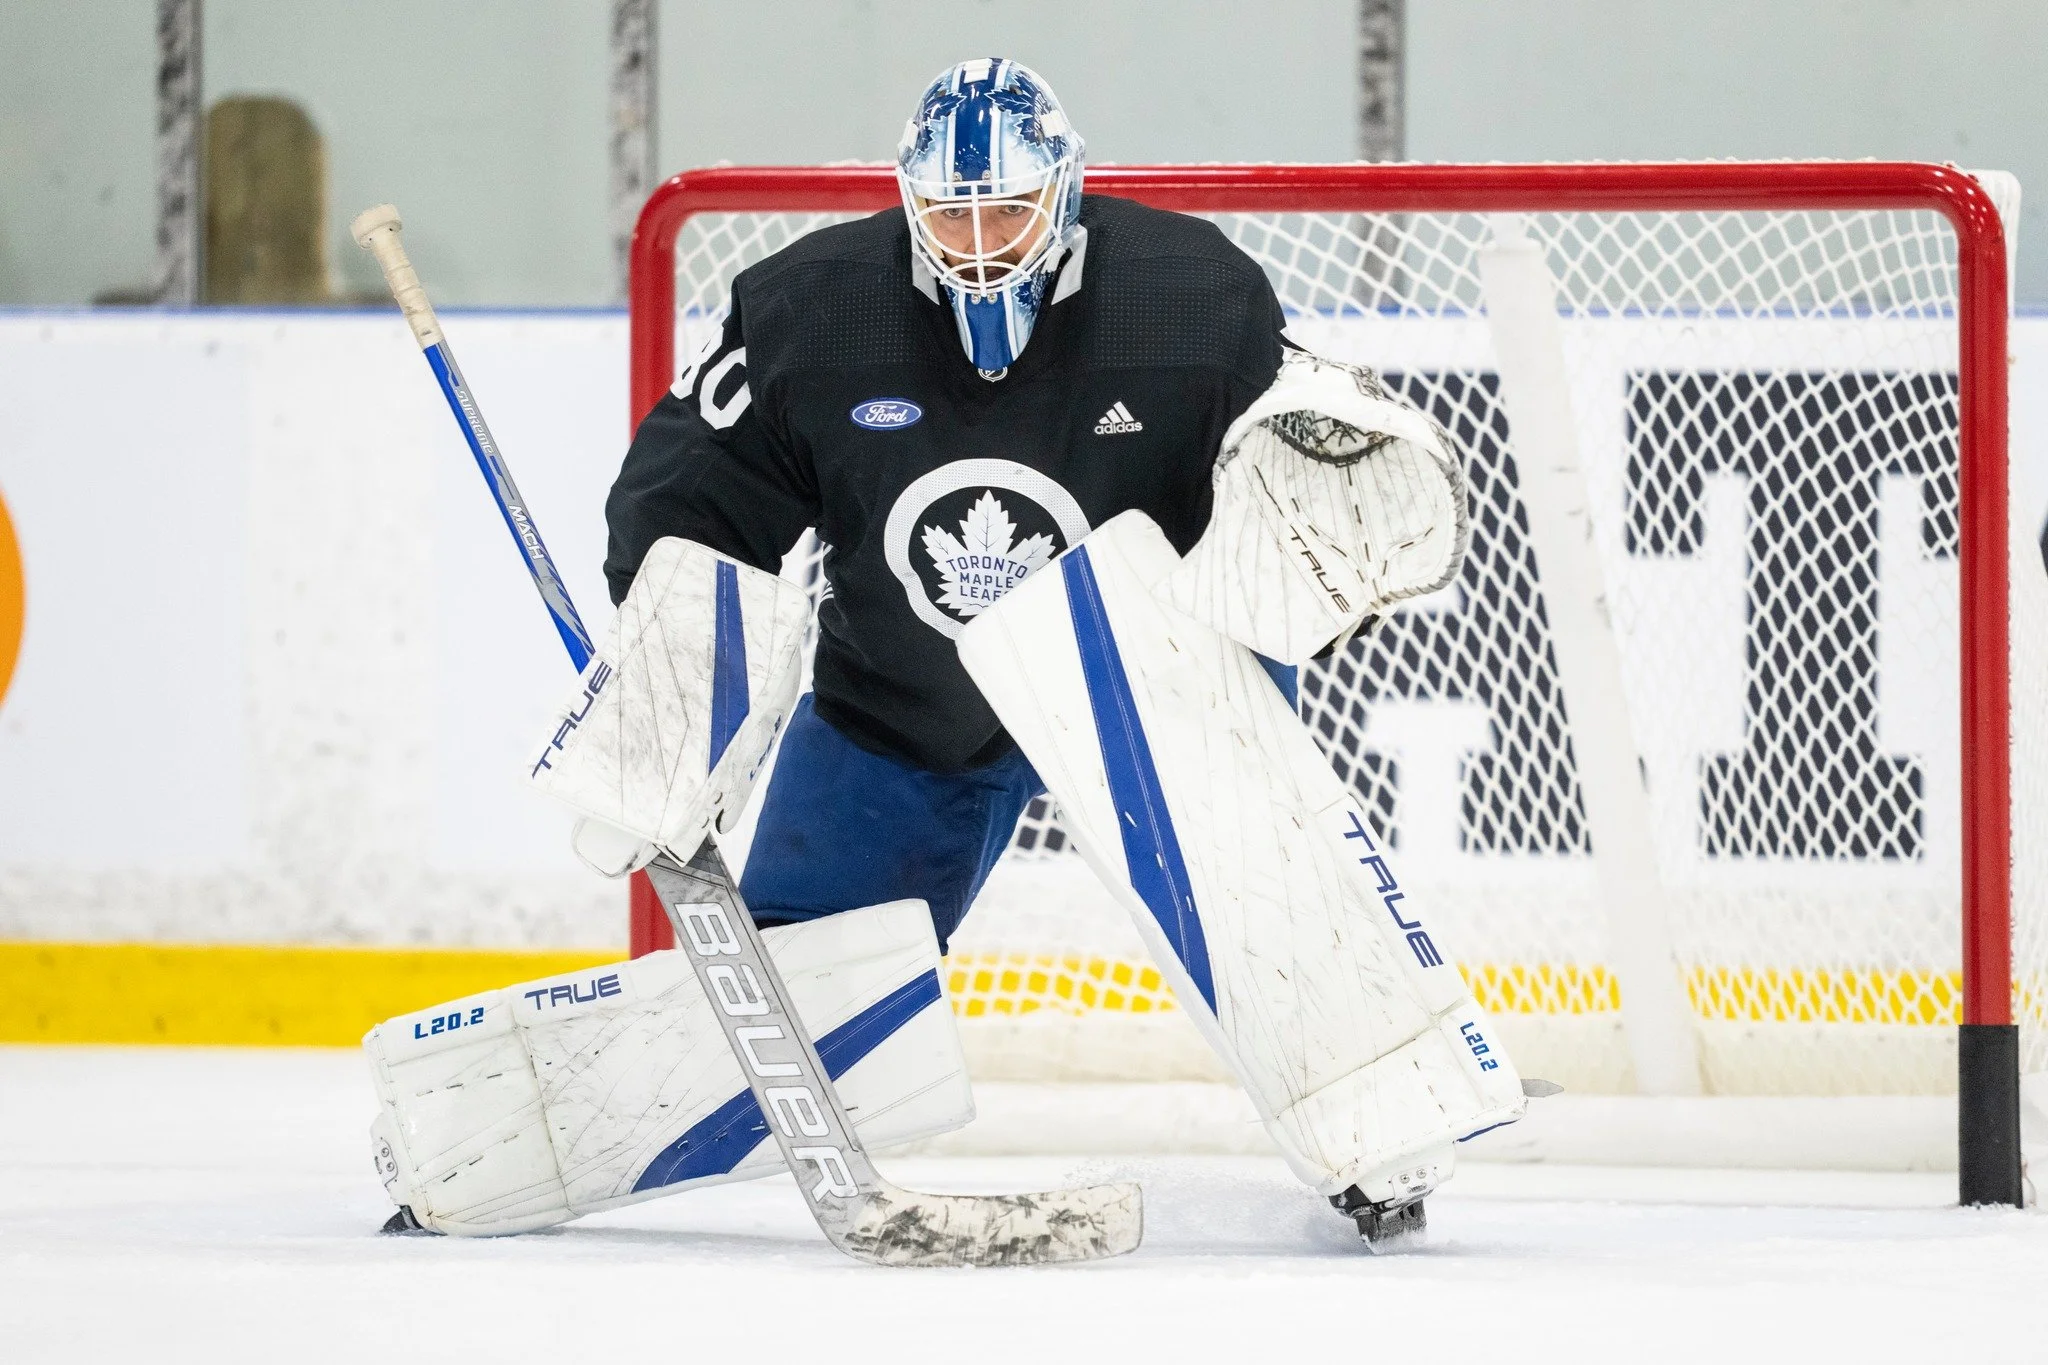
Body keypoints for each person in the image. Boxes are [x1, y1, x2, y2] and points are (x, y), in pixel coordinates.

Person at [604, 57, 1290, 951]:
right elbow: (688, 503)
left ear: (1065, 190)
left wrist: (1318, 574)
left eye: (1009, 207)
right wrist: (673, 671)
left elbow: (1287, 513)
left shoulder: (1197, 300)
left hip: (1169, 703)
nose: (979, 241)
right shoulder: (813, 312)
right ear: (909, 199)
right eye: (949, 211)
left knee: (1300, 965)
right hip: (906, 705)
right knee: (798, 991)